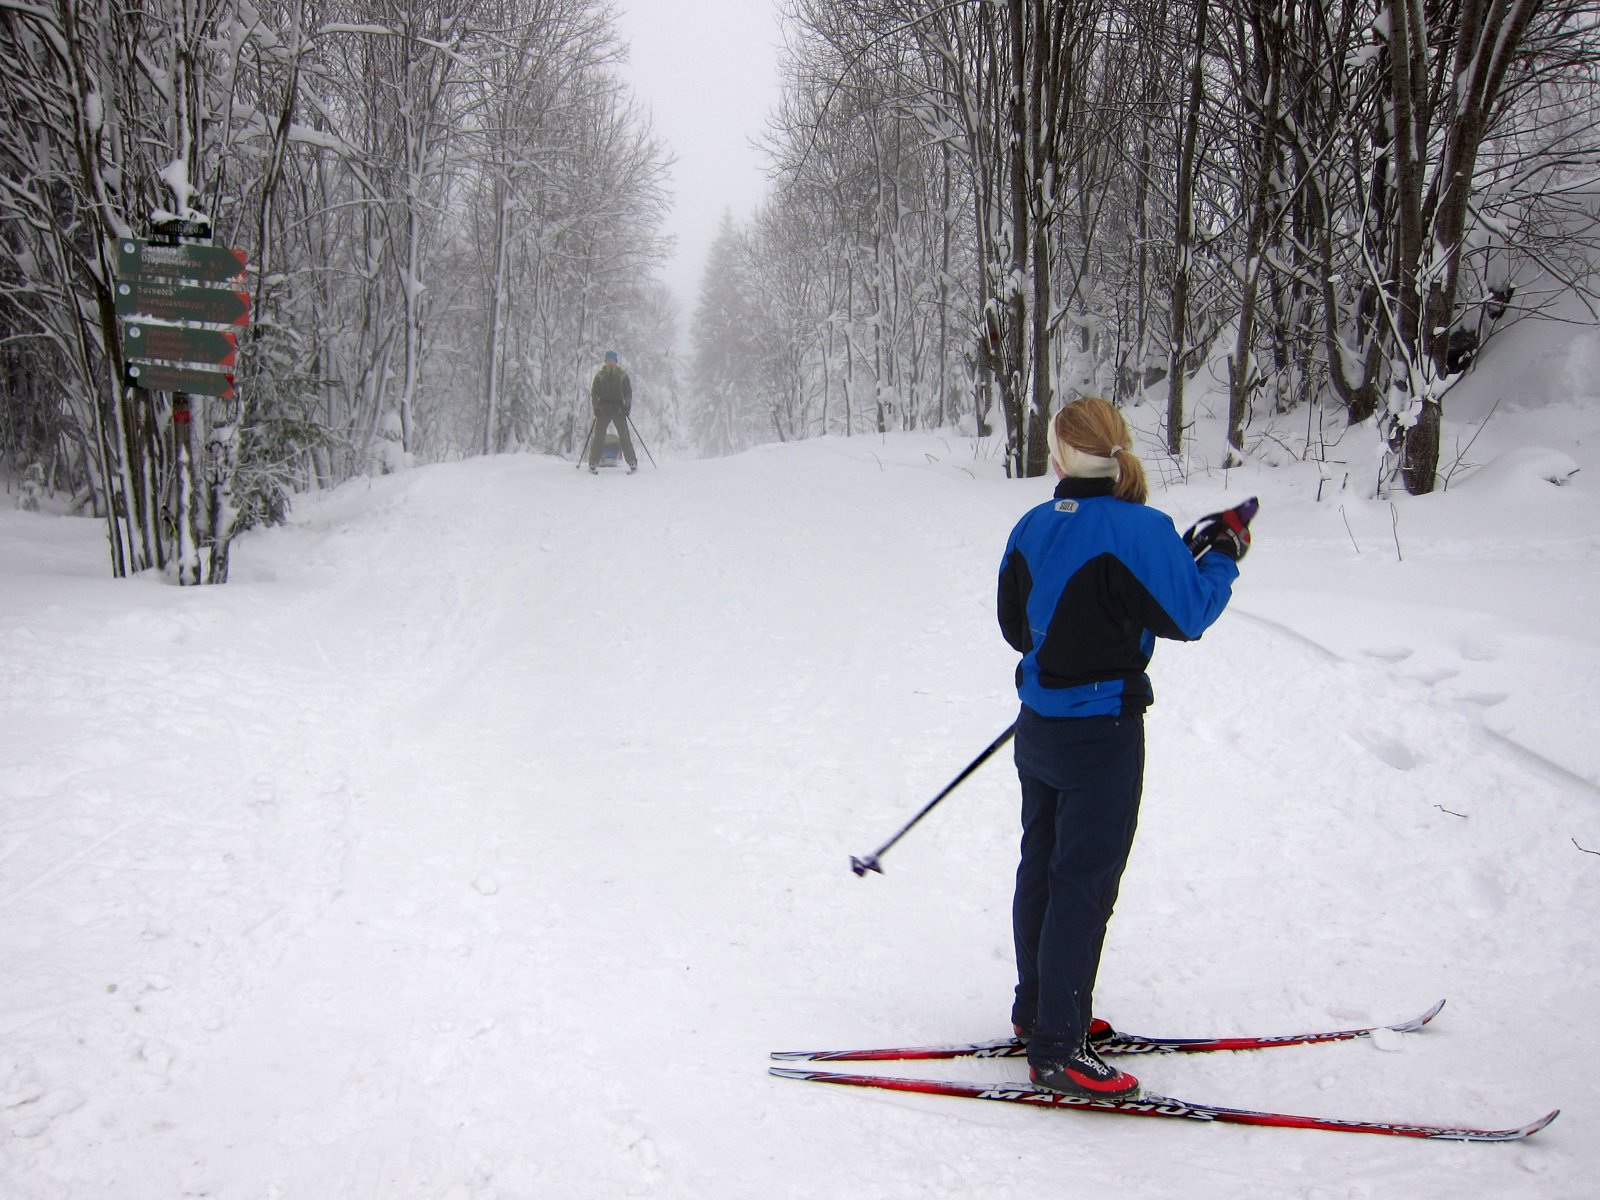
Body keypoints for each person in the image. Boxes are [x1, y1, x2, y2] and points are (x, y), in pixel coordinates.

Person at [996, 395, 1247, 1098]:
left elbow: (1019, 628)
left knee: (1043, 870)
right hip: (1101, 737)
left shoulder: (1033, 523)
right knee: (1083, 884)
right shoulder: (1141, 528)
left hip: (1040, 729)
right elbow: (1188, 614)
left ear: (1059, 455)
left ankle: (1038, 1012)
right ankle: (1058, 1047)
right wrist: (1222, 555)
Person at [588, 350, 637, 474]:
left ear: (616, 362)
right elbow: (594, 393)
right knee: (598, 436)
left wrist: (627, 406)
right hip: (603, 409)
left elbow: (628, 392)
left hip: (618, 409)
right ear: (605, 361)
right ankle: (593, 462)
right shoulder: (600, 375)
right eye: (608, 360)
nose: (610, 363)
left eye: (612, 361)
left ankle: (632, 461)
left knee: (624, 435)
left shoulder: (622, 375)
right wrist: (596, 407)